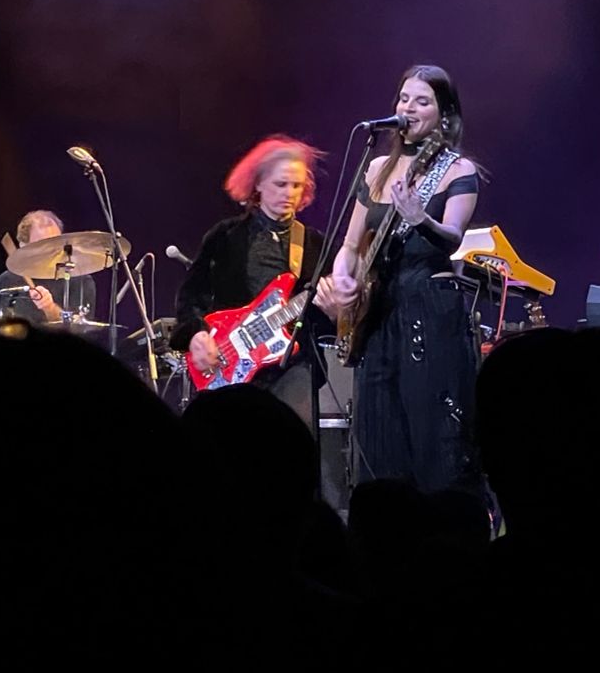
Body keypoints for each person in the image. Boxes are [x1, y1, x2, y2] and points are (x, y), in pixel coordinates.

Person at [318, 64, 484, 497]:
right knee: (378, 438)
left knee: (432, 436)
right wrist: (342, 279)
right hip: (378, 318)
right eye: (404, 98)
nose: (408, 108)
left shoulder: (456, 170)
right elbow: (350, 245)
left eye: (422, 101)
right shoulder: (376, 167)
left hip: (428, 309)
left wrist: (420, 218)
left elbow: (452, 236)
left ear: (444, 113)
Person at [170, 134, 334, 435]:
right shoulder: (225, 236)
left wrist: (334, 308)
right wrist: (196, 334)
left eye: (296, 185)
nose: (289, 193)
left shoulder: (315, 245)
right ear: (258, 184)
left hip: (292, 365)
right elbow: (191, 295)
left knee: (293, 442)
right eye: (280, 184)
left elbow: (331, 321)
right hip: (230, 361)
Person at [0, 210, 97, 325]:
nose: (51, 250)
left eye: (55, 242)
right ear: (23, 246)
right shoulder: (7, 280)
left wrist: (49, 307)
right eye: (42, 244)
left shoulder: (80, 281)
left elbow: (78, 330)